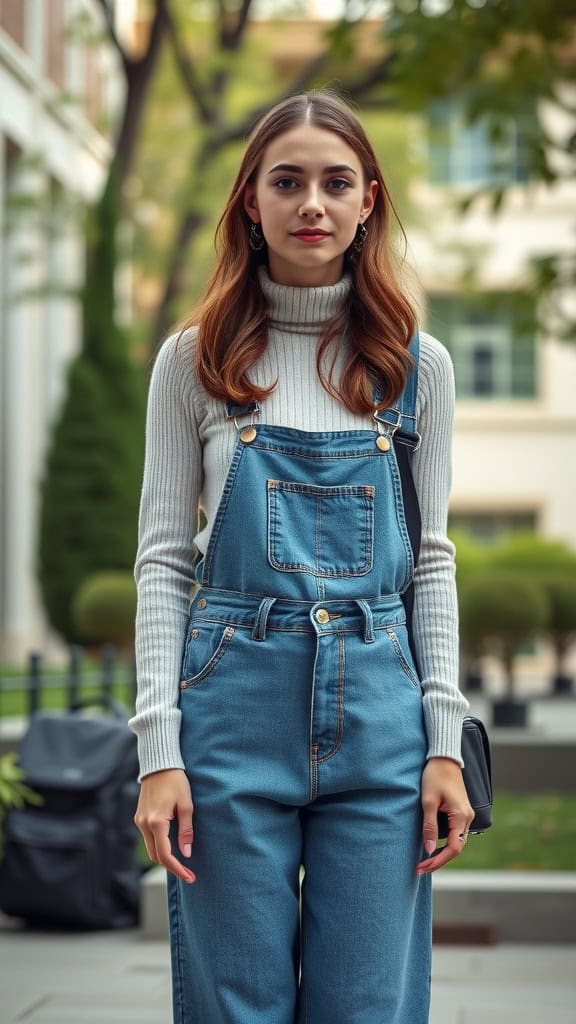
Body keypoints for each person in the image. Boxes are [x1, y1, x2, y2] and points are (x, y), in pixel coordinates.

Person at [130, 89, 474, 1024]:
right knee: (233, 1003)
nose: (311, 204)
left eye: (335, 182)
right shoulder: (195, 360)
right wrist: (158, 748)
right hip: (231, 708)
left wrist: (444, 739)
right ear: (251, 200)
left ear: (370, 200)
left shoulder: (416, 365)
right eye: (287, 182)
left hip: (381, 711)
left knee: (368, 1005)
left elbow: (431, 563)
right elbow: (164, 561)